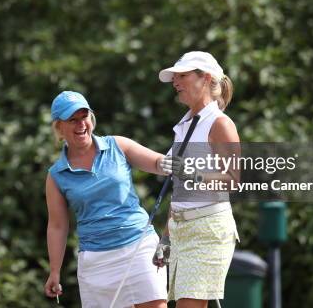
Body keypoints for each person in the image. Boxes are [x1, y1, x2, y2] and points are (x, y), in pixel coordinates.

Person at [44, 90, 169, 308]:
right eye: (72, 120)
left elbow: (158, 163)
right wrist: (54, 271)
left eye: (84, 117)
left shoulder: (117, 145)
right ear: (59, 127)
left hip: (139, 246)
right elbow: (57, 226)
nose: (80, 124)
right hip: (96, 262)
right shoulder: (56, 175)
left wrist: (171, 164)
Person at [153, 51, 241, 308]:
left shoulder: (220, 123)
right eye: (174, 77)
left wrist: (193, 173)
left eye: (182, 75)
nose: (175, 82)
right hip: (181, 230)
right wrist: (166, 237)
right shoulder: (184, 125)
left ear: (205, 78)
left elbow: (232, 180)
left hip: (208, 229)